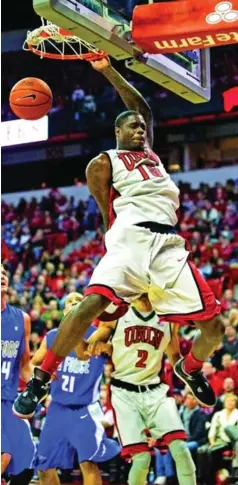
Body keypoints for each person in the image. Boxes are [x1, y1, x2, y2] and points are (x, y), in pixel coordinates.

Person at [13, 57, 223, 419]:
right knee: (87, 307)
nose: (140, 130)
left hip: (169, 245)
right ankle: (41, 378)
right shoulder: (104, 162)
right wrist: (118, 247)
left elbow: (141, 107)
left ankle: (188, 369)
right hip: (129, 238)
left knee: (215, 329)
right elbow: (105, 212)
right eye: (133, 128)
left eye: (143, 127)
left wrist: (106, 68)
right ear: (119, 133)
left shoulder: (152, 156)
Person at [85, 295, 197, 485]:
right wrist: (99, 345)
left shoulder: (168, 317)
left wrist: (195, 379)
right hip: (124, 392)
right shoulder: (117, 312)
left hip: (156, 390)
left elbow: (176, 358)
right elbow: (91, 345)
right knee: (141, 459)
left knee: (180, 448)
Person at [32, 292, 120, 485]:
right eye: (69, 301)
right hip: (57, 408)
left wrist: (108, 349)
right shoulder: (52, 336)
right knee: (44, 467)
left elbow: (117, 355)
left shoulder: (98, 334)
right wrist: (40, 372)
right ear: (64, 310)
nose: (73, 303)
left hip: (85, 408)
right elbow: (32, 364)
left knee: (88, 464)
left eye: (79, 301)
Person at [1, 265, 35, 485]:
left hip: (10, 400)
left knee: (26, 461)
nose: (1, 277)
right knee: (5, 455)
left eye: (3, 273)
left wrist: (37, 385)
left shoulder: (21, 319)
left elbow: (24, 364)